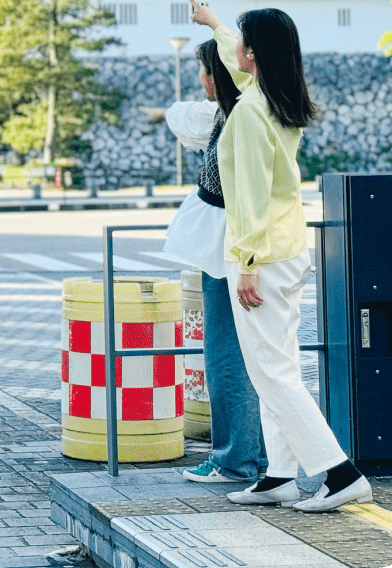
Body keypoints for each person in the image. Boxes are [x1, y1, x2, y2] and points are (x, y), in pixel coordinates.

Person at [187, 0, 372, 513]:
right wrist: (218, 24)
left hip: (261, 258)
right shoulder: (277, 99)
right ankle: (279, 476)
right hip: (288, 251)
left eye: (242, 40)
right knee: (280, 364)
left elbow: (247, 195)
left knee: (271, 372)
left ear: (254, 53)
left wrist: (244, 263)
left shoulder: (248, 112)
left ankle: (339, 473)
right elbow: (235, 62)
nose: (236, 47)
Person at [162, 39, 267, 484]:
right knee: (249, 356)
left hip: (233, 254)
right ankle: (255, 457)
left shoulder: (235, 119)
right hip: (240, 252)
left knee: (226, 355)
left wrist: (247, 261)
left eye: (205, 71)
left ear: (218, 74)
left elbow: (248, 198)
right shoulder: (251, 109)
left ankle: (236, 459)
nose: (201, 80)